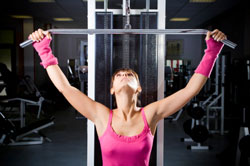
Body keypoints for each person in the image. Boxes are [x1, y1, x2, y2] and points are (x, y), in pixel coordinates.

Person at [29, 28, 226, 166]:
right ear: (112, 89)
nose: (124, 75)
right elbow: (65, 88)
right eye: (119, 76)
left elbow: (189, 90)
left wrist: (212, 51)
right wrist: (43, 49)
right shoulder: (101, 115)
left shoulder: (150, 114)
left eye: (129, 75)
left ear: (138, 88)